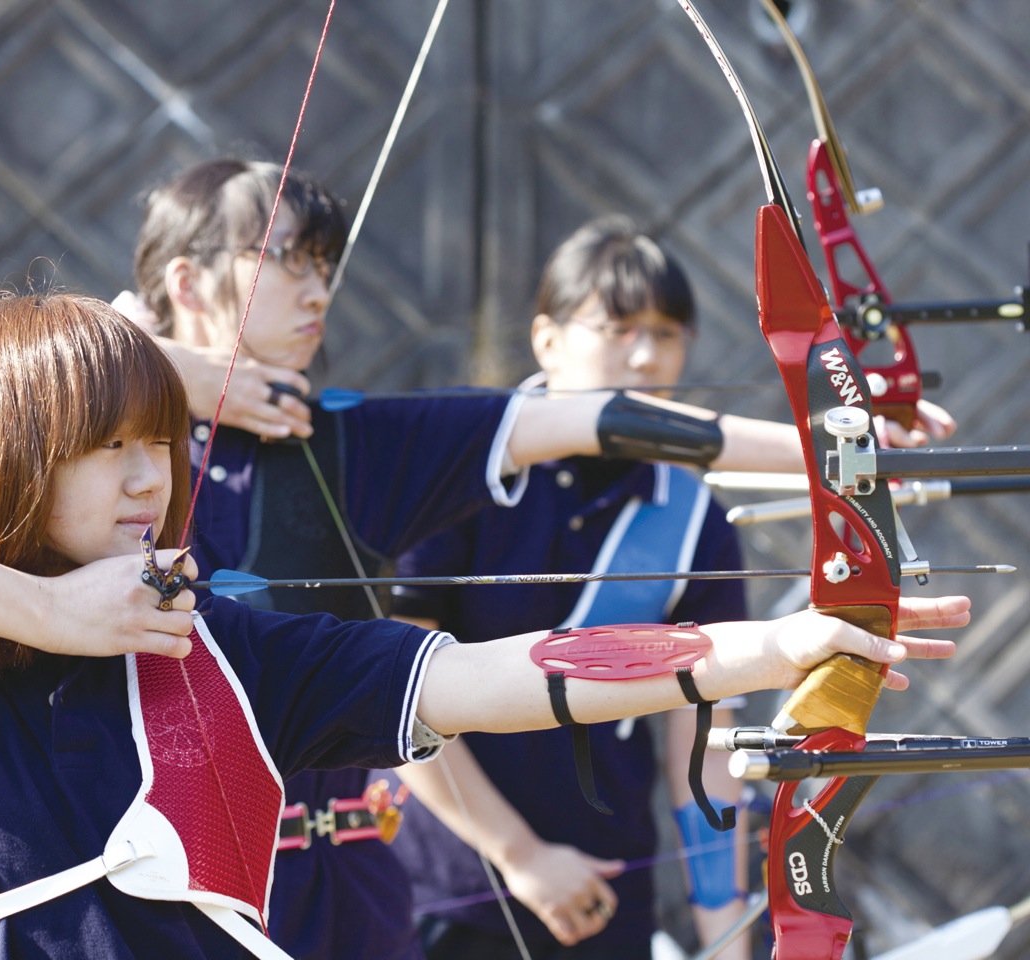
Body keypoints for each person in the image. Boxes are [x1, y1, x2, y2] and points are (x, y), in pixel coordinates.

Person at [0, 292, 966, 960]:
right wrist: (46, 614)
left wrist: (783, 644)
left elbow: (501, 676)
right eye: (101, 451)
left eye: (156, 450)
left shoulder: (214, 646)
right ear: (2, 462)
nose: (146, 484)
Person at [116, 157, 959, 959]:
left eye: (323, 264)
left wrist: (834, 442)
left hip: (356, 888)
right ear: (187, 282)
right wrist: (149, 363)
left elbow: (586, 421)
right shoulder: (92, 430)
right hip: (179, 884)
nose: (319, 289)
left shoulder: (356, 440)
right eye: (287, 261)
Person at [387, 216, 749, 959]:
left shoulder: (694, 521)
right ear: (547, 339)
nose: (647, 357)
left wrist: (726, 932)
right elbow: (390, 693)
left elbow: (704, 749)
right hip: (450, 889)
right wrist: (520, 856)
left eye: (668, 332)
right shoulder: (462, 470)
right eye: (618, 328)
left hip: (609, 887)